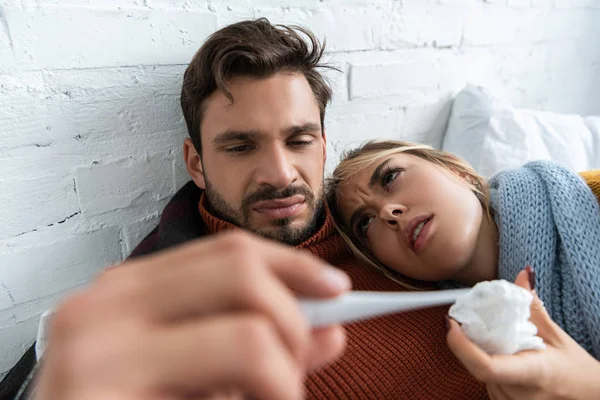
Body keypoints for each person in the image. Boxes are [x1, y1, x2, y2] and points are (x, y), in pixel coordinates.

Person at [14, 20, 490, 400]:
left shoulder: (385, 228)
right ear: (196, 164)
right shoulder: (164, 293)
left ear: (323, 146)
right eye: (241, 147)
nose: (280, 174)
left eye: (299, 140)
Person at [327, 139, 600, 399]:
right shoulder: (468, 342)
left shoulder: (590, 195)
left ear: (456, 169)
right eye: (365, 223)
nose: (387, 212)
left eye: (390, 178)